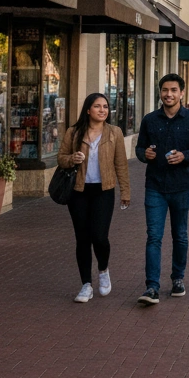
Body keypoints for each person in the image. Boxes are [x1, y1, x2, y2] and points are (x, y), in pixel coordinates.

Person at [134, 73, 189, 306]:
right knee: (154, 236)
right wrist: (144, 155)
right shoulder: (149, 119)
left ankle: (178, 279)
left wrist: (185, 156)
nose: (169, 94)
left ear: (181, 93)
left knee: (180, 236)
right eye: (165, 90)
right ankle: (152, 286)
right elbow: (139, 148)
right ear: (160, 92)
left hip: (181, 187)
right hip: (154, 186)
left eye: (174, 90)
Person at [57, 93, 130, 303]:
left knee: (99, 237)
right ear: (88, 110)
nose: (102, 110)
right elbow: (61, 159)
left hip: (104, 190)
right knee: (82, 238)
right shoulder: (74, 132)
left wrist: (125, 192)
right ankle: (86, 285)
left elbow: (121, 165)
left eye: (105, 107)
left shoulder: (114, 133)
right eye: (97, 106)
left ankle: (103, 269)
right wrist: (72, 158)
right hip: (78, 191)